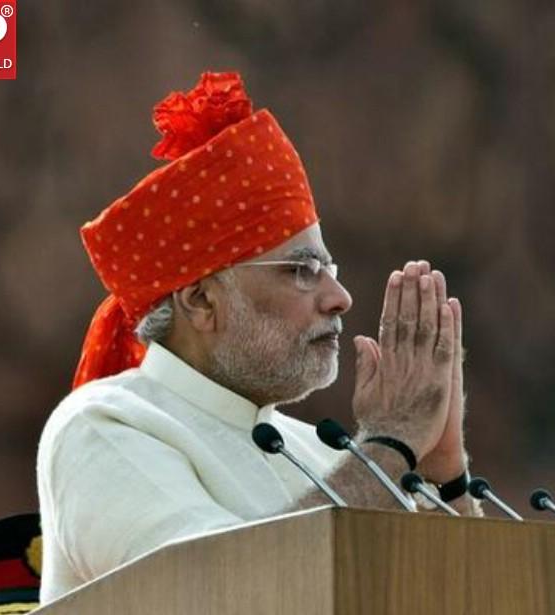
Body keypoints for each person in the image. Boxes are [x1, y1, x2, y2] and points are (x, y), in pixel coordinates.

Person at [36, 71, 480, 605]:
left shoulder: (318, 453)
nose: (339, 297)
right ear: (201, 301)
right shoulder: (103, 428)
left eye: (327, 266)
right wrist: (389, 444)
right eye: (300, 269)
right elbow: (217, 597)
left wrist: (442, 469)